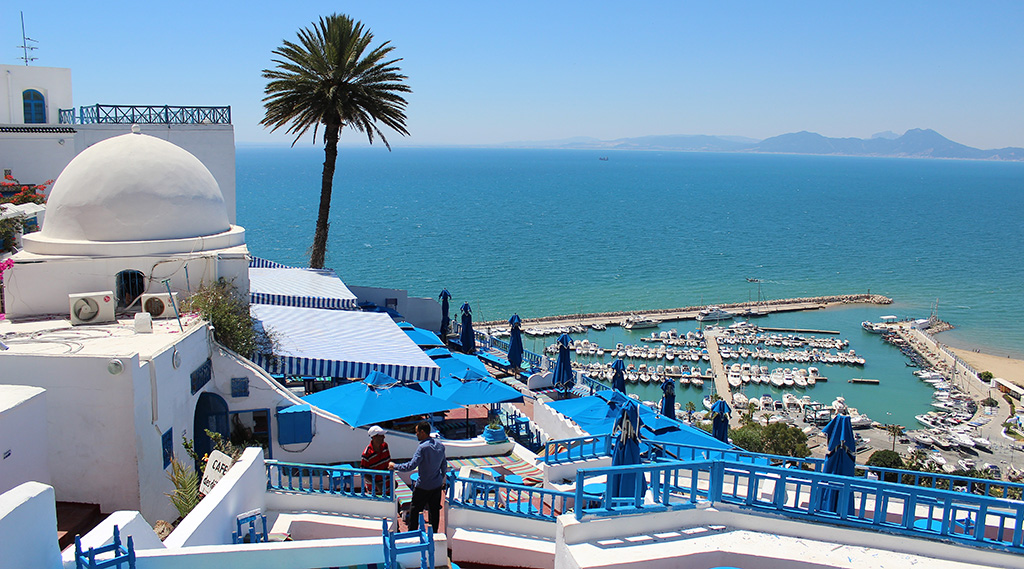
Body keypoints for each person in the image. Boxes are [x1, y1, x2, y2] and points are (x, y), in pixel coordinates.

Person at [389, 421, 447, 531]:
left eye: (417, 432)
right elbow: (444, 465)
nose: (416, 434)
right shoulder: (440, 446)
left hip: (423, 486)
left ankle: (412, 533)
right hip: (436, 485)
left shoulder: (422, 448)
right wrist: (440, 478)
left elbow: (411, 466)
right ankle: (433, 534)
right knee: (434, 512)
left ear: (423, 432)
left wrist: (395, 466)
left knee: (415, 510)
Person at [360, 425, 391, 496]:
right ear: (374, 437)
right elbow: (364, 472)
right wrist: (377, 485)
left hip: (387, 484)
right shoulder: (367, 454)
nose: (384, 437)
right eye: (381, 435)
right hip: (375, 489)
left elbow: (388, 464)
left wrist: (392, 479)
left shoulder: (385, 446)